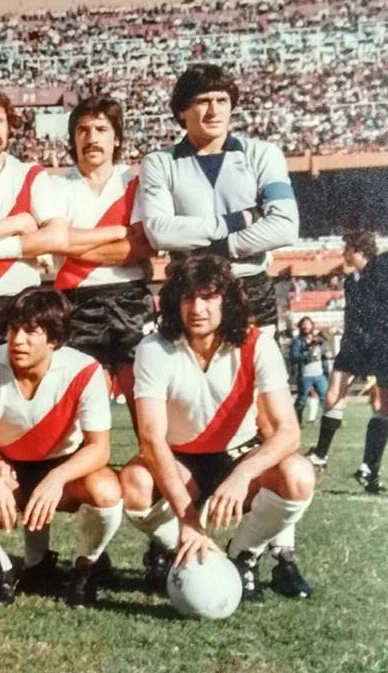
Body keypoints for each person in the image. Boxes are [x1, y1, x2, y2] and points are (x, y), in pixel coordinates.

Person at [119, 255, 314, 603]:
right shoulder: (154, 348)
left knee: (298, 475)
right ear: (174, 302)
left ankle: (243, 556)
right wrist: (189, 520)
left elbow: (289, 432)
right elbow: (151, 437)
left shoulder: (257, 343)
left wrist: (242, 477)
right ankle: (178, 546)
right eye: (188, 297)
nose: (198, 308)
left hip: (239, 456)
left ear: (227, 300)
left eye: (209, 297)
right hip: (180, 461)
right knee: (134, 484)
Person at [0, 287, 121, 606]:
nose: (17, 340)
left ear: (54, 338)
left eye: (31, 331)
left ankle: (84, 570)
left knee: (106, 490)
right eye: (13, 329)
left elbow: (99, 449)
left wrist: (57, 478)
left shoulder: (84, 369)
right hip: (3, 467)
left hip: (62, 467)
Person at [0, 85, 125, 352]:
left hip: (23, 306)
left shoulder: (31, 174)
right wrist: (16, 223)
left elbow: (55, 236)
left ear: (10, 127)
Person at [139, 63, 299, 334]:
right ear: (182, 110)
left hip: (249, 286)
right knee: (191, 376)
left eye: (222, 100)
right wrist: (239, 220)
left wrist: (219, 248)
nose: (214, 111)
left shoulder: (263, 154)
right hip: (190, 292)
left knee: (256, 375)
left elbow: (285, 226)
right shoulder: (159, 162)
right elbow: (159, 232)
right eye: (203, 101)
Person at [49, 96, 155, 425]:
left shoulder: (135, 183)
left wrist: (72, 243)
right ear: (72, 138)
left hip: (130, 297)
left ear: (117, 137)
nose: (92, 137)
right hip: (74, 301)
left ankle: (157, 472)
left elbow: (139, 248)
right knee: (78, 406)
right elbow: (55, 240)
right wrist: (118, 232)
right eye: (82, 129)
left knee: (143, 397)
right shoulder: (54, 185)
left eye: (101, 129)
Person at [323, 230, 388, 492]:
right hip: (382, 347)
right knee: (384, 410)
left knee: (384, 411)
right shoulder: (368, 274)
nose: (343, 254)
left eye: (346, 248)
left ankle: (368, 469)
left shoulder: (379, 268)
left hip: (381, 347)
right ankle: (368, 468)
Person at [290, 317, 330, 425]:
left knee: (325, 398)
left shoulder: (318, 339)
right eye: (304, 324)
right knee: (301, 400)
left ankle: (331, 421)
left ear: (312, 326)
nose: (306, 326)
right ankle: (296, 422)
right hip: (305, 375)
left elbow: (324, 353)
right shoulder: (297, 341)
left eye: (308, 324)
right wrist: (307, 353)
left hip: (319, 374)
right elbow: (294, 357)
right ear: (300, 326)